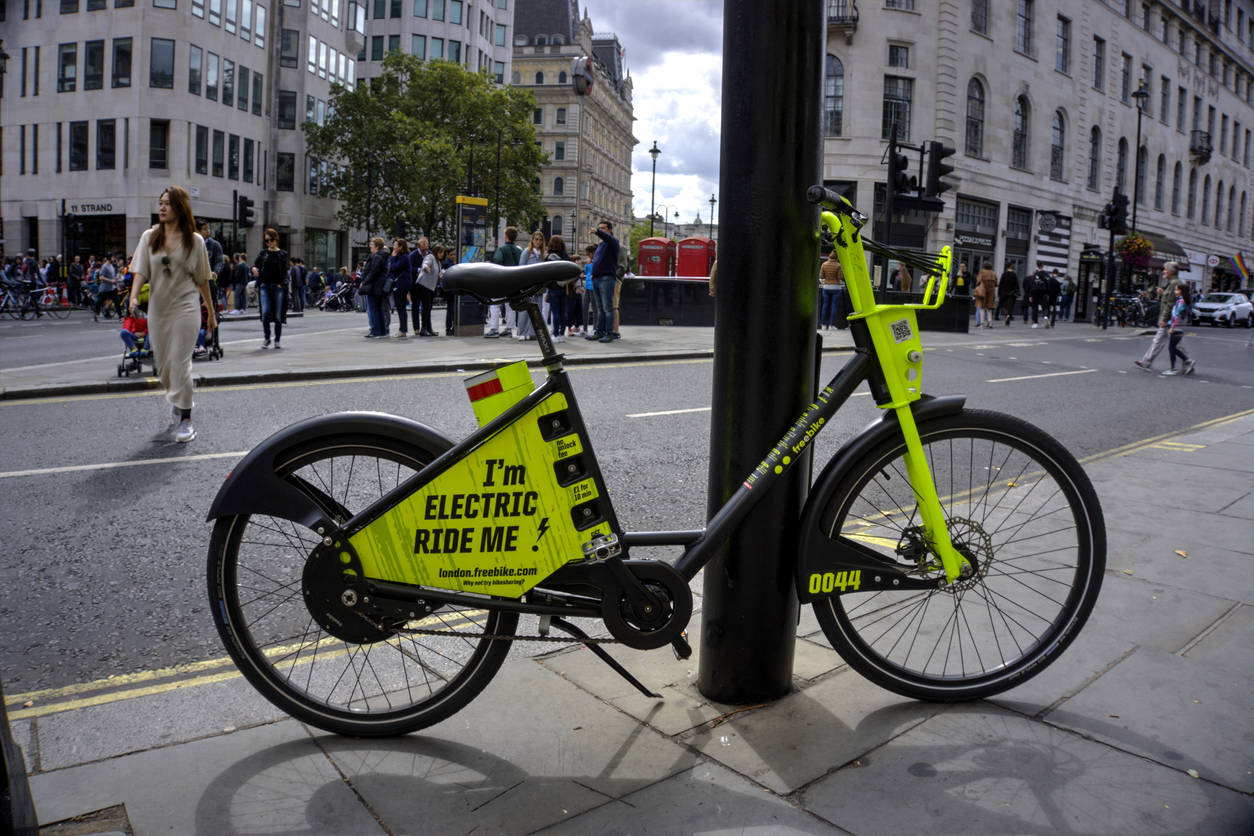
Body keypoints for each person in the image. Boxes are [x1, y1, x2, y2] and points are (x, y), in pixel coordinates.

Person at [126, 186, 217, 443]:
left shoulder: (194, 241)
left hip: (186, 308)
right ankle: (179, 400)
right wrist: (133, 296)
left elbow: (202, 279)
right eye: (160, 202)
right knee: (165, 368)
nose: (162, 207)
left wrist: (211, 312)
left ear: (180, 208)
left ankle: (185, 419)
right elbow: (141, 270)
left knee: (179, 364)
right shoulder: (149, 237)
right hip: (159, 310)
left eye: (168, 203)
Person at [1135, 261, 1182, 372]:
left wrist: (1164, 319)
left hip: (1170, 319)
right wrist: (1162, 293)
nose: (1164, 271)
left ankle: (1187, 360)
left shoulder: (1174, 283)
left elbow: (1170, 303)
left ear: (1171, 271)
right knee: (1161, 341)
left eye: (1165, 269)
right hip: (1170, 319)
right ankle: (1146, 362)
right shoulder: (1172, 283)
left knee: (1172, 343)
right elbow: (1169, 299)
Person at [252, 228, 290, 349]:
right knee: (265, 312)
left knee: (278, 315)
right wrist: (253, 269)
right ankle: (267, 338)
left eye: (271, 240)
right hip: (264, 286)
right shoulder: (263, 253)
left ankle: (277, 339)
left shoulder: (282, 254)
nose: (269, 243)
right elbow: (254, 265)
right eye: (267, 241)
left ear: (276, 239)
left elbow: (285, 272)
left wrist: (282, 284)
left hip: (278, 287)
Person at [586, 221, 619, 343]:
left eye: (604, 228)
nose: (601, 230)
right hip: (597, 278)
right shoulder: (601, 245)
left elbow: (606, 237)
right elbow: (597, 260)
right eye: (600, 228)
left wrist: (597, 231)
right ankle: (599, 332)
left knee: (607, 308)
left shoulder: (613, 242)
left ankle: (609, 333)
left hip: (606, 278)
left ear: (610, 230)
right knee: (600, 308)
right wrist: (593, 274)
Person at [486, 227, 523, 338]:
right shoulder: (519, 250)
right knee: (510, 305)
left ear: (506, 236)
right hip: (514, 281)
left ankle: (494, 329)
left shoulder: (501, 249)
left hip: (502, 280)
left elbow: (497, 261)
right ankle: (509, 329)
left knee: (495, 304)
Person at [516, 230, 546, 340]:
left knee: (537, 310)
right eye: (536, 239)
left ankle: (533, 333)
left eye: (540, 240)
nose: (538, 241)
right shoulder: (527, 252)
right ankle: (522, 333)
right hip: (528, 286)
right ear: (532, 240)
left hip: (538, 287)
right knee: (525, 310)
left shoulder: (543, 254)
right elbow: (521, 268)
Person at [358, 236, 390, 338]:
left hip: (374, 286)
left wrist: (364, 281)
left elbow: (373, 272)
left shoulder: (376, 257)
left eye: (372, 245)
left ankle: (376, 331)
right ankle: (382, 331)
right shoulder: (384, 256)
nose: (370, 247)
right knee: (379, 309)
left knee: (373, 309)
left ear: (377, 246)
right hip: (380, 286)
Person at [1161, 283, 1196, 376]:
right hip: (1180, 327)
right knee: (1173, 348)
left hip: (1176, 327)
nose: (1175, 291)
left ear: (1181, 291)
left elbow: (1176, 316)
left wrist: (1172, 327)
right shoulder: (1185, 301)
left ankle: (1174, 368)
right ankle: (1187, 360)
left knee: (1171, 348)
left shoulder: (1180, 302)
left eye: (1176, 290)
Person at [387, 237, 414, 338]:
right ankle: (402, 329)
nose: (393, 247)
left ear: (401, 247)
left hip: (401, 284)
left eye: (395, 245)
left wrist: (393, 258)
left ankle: (403, 330)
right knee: (400, 307)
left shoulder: (404, 257)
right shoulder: (400, 256)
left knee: (401, 307)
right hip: (399, 283)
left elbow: (394, 267)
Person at [545, 235, 570, 343]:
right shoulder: (565, 256)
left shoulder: (548, 257)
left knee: (555, 312)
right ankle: (561, 334)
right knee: (563, 312)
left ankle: (555, 334)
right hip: (564, 287)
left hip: (553, 288)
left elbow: (545, 274)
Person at [414, 243, 442, 336]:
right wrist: (426, 267)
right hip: (423, 285)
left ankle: (429, 328)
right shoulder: (430, 257)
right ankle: (424, 329)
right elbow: (425, 263)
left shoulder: (438, 262)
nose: (442, 254)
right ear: (436, 252)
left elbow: (440, 274)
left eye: (443, 253)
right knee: (426, 308)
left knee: (428, 308)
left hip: (430, 287)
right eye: (440, 252)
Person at [819, 248, 845, 330]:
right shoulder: (838, 265)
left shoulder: (824, 264)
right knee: (834, 306)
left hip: (826, 287)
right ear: (837, 257)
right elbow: (840, 277)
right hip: (836, 288)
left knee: (825, 306)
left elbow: (821, 277)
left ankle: (823, 325)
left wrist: (825, 282)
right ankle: (831, 325)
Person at [93, 253, 119, 322]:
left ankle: (120, 316)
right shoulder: (104, 266)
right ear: (109, 258)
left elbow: (112, 276)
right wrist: (111, 281)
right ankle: (96, 315)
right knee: (99, 302)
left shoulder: (111, 265)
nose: (114, 259)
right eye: (113, 257)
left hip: (111, 288)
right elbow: (101, 277)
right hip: (104, 289)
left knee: (117, 300)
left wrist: (115, 280)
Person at [974, 260, 999, 328]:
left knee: (982, 307)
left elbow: (978, 281)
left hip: (983, 291)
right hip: (991, 292)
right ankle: (990, 323)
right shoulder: (993, 273)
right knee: (989, 308)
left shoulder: (982, 272)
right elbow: (996, 284)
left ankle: (982, 324)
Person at [1028, 262, 1050, 327]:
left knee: (1035, 308)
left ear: (1037, 266)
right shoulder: (1046, 274)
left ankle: (1035, 323)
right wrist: (1048, 292)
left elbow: (1031, 285)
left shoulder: (1034, 275)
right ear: (1043, 266)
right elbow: (1049, 283)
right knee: (1045, 307)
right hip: (1043, 292)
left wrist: (1030, 295)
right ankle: (1046, 317)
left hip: (1035, 292)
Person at [998, 262, 1019, 326]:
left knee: (1002, 305)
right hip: (1011, 293)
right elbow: (1016, 285)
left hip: (1003, 292)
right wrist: (1016, 292)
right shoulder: (1014, 275)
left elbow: (1000, 284)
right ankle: (1008, 320)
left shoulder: (1004, 274)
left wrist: (999, 293)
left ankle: (1006, 314)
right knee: (1010, 307)